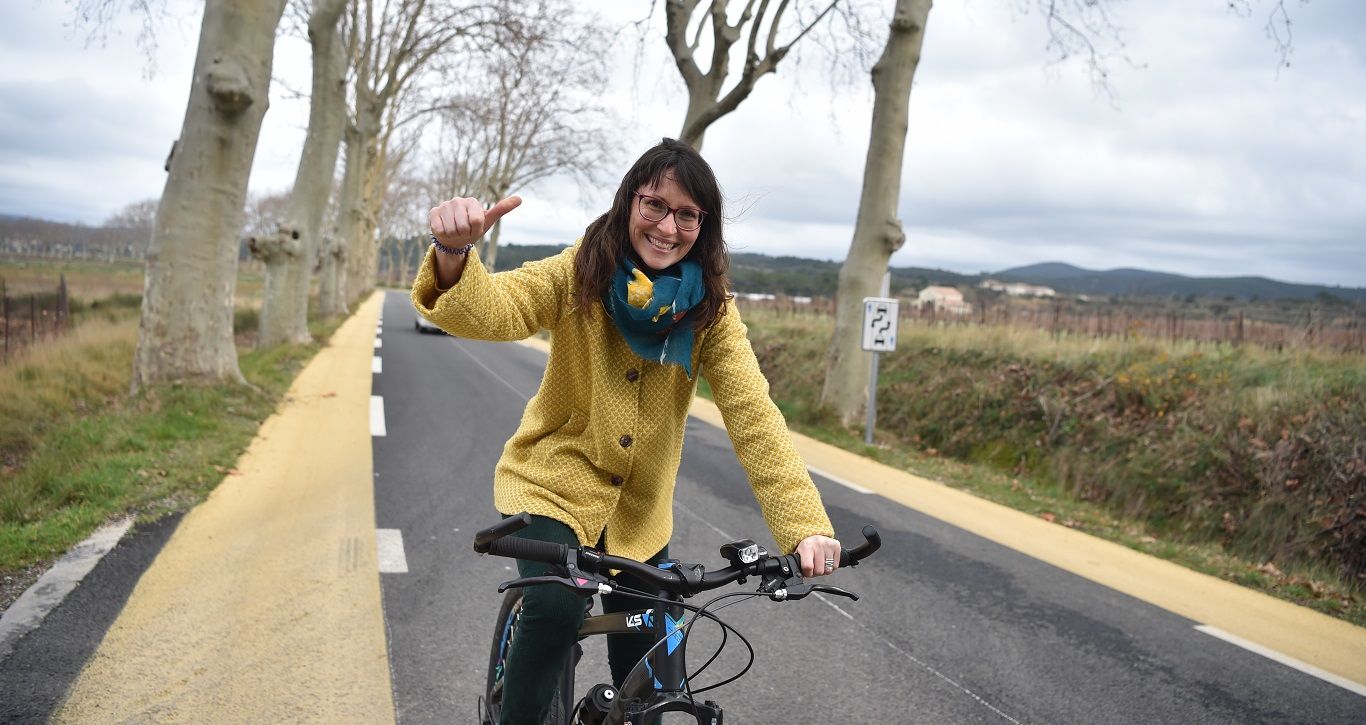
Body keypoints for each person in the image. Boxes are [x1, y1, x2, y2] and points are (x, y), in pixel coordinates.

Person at [413, 138, 841, 724]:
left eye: (687, 214)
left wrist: (804, 526)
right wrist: (452, 253)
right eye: (654, 205)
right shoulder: (578, 272)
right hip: (552, 487)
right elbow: (496, 310)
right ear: (628, 203)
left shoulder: (711, 312)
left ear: (704, 226)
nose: (667, 227)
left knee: (656, 670)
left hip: (640, 517)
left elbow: (755, 417)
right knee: (556, 607)